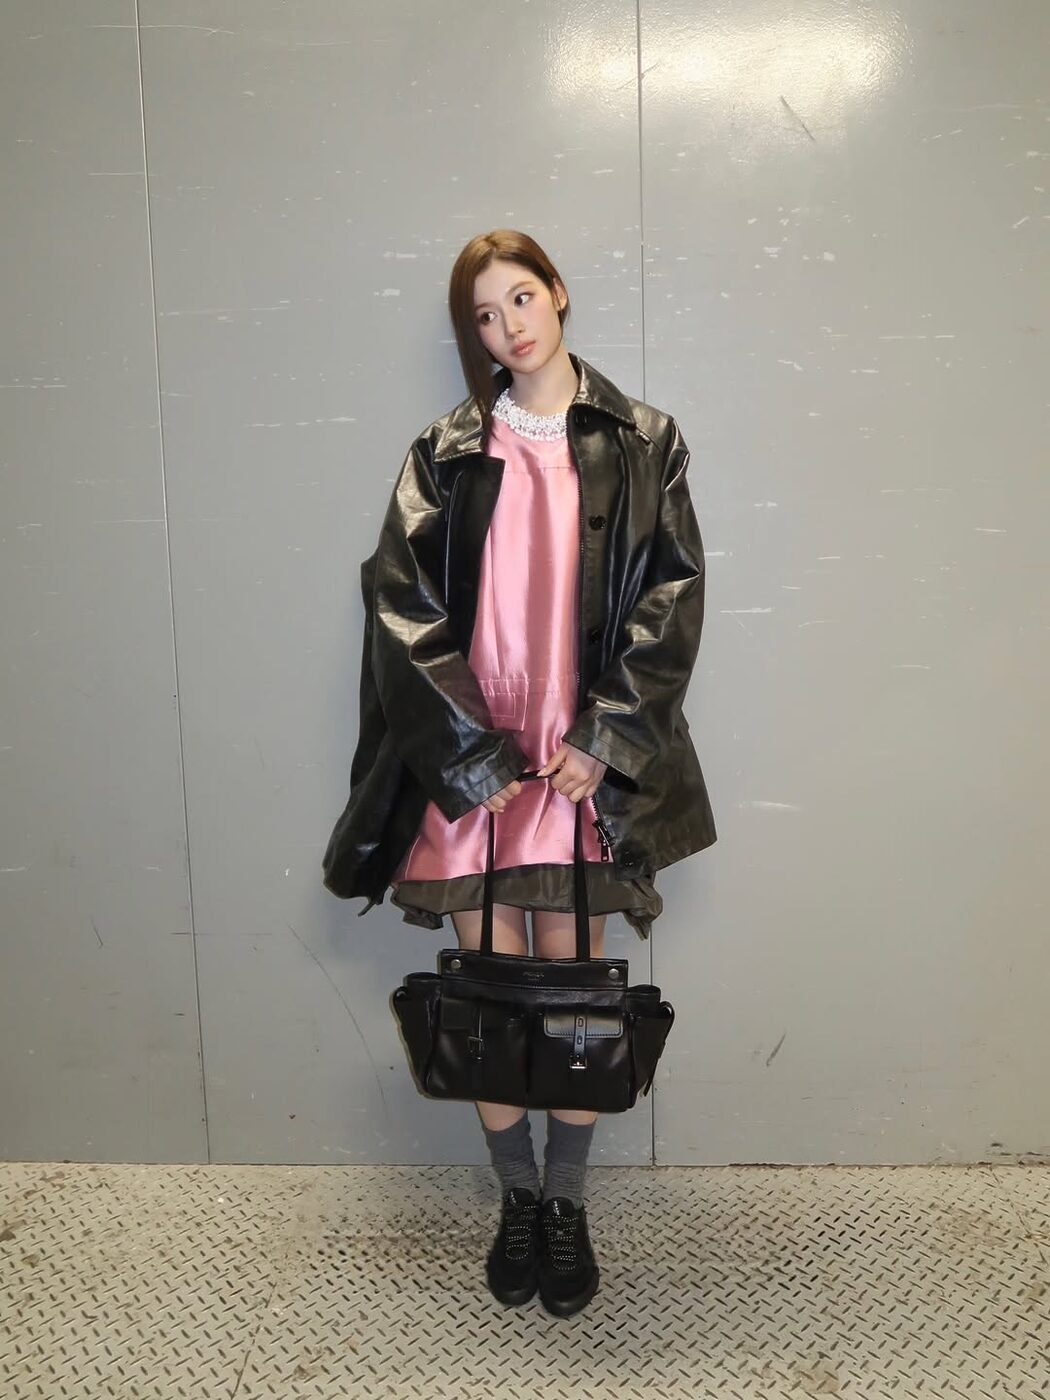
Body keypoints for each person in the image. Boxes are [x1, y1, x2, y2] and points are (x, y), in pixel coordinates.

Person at [322, 228, 716, 1318]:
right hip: (481, 766)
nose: (508, 327)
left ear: (560, 293)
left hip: (579, 766)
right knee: (490, 992)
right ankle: (516, 1197)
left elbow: (671, 599)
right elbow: (402, 612)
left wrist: (605, 736)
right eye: (486, 316)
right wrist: (467, 751)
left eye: (521, 298)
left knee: (574, 987)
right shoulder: (445, 452)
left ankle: (568, 1201)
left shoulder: (645, 440)